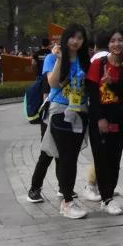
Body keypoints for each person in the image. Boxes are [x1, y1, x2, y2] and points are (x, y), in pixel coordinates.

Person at [43, 25, 91, 219]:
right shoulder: (52, 57)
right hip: (61, 111)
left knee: (72, 157)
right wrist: (60, 59)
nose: (75, 41)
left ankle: (68, 198)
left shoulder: (85, 59)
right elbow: (53, 83)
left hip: (80, 111)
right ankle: (67, 202)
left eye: (79, 38)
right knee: (66, 158)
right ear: (65, 38)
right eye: (72, 37)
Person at [85, 29, 123, 215]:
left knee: (115, 158)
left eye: (120, 40)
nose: (117, 44)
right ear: (108, 43)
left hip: (119, 117)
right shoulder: (99, 64)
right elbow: (92, 94)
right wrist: (99, 118)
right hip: (100, 117)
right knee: (101, 158)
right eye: (113, 40)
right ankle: (106, 198)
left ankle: (108, 195)